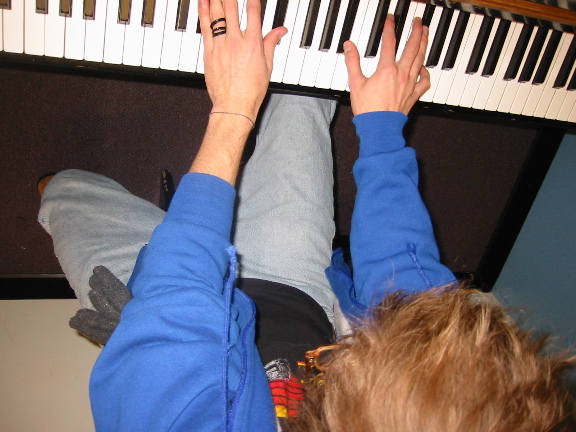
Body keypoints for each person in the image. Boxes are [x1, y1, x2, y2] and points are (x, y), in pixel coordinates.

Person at [37, 0, 575, 430]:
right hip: (291, 286)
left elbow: (174, 295)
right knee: (302, 91)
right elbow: (419, 313)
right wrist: (382, 133)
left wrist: (234, 110)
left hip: (163, 325)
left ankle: (58, 186)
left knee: (65, 192)